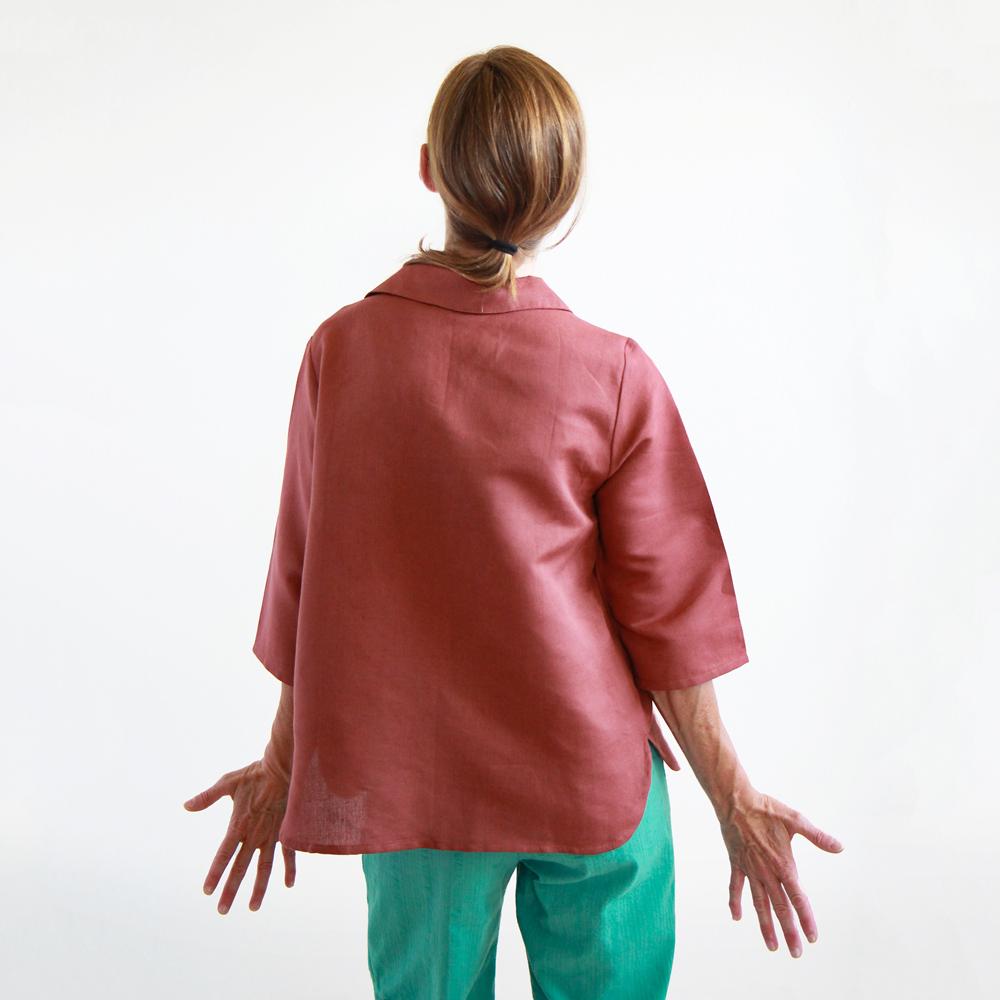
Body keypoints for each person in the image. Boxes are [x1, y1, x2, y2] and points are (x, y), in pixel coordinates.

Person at [183, 44, 844, 999]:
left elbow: (309, 582)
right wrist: (733, 798)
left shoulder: (342, 353)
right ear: (563, 197)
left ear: (429, 170)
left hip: (413, 797)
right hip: (594, 782)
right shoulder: (612, 373)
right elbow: (670, 619)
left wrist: (283, 761)